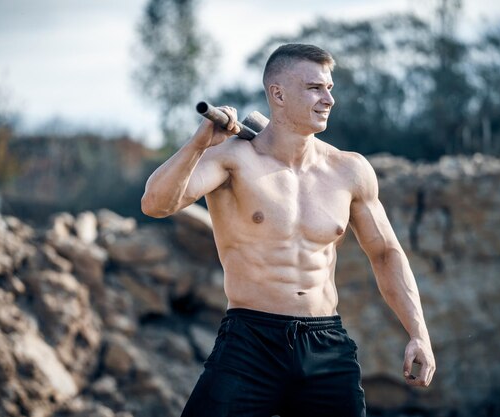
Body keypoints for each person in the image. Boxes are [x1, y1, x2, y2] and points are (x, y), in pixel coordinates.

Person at [141, 43, 435, 417]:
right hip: (250, 341)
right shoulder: (232, 159)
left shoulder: (349, 170)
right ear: (277, 94)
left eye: (329, 87)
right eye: (315, 87)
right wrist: (199, 144)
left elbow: (385, 253)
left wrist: (418, 333)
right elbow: (155, 204)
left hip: (325, 344)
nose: (328, 98)